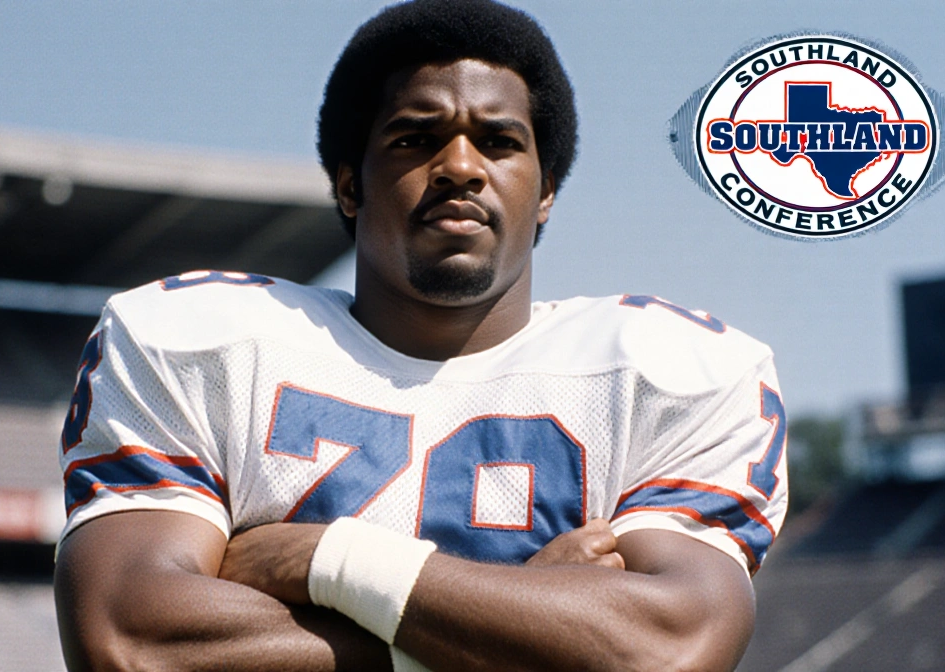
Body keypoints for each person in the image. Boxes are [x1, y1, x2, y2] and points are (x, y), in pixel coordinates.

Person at [53, 0, 788, 670]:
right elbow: (131, 641)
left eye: (498, 142)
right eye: (415, 138)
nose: (460, 167)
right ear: (350, 185)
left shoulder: (671, 373)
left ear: (545, 192)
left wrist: (325, 560)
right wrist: (517, 629)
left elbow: (668, 650)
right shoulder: (199, 343)